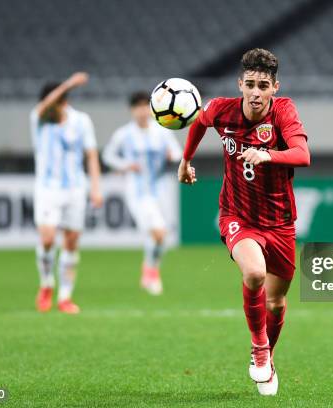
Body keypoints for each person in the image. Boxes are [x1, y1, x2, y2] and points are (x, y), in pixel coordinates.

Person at [178, 48, 310, 395]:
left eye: (263, 86)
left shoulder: (284, 112)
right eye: (249, 84)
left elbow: (302, 154)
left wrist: (268, 154)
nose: (255, 92)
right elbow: (199, 122)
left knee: (277, 302)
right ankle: (259, 349)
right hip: (238, 215)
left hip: (280, 221)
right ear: (240, 84)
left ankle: (268, 356)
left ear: (274, 88)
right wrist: (185, 159)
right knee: (253, 274)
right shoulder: (222, 109)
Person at [31, 72, 103, 314]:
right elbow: (43, 108)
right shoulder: (39, 119)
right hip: (47, 188)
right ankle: (46, 284)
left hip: (75, 188)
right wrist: (70, 83)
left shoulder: (81, 121)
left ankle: (65, 296)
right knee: (48, 238)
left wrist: (95, 187)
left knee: (71, 241)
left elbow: (91, 154)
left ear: (65, 103)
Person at [103, 91, 182, 295]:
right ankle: (151, 272)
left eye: (145, 106)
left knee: (160, 236)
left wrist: (171, 155)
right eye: (137, 107)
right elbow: (108, 155)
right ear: (132, 110)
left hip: (161, 190)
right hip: (138, 192)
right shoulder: (124, 134)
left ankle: (149, 271)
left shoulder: (162, 132)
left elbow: (177, 153)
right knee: (158, 232)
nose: (141, 111)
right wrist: (125, 165)